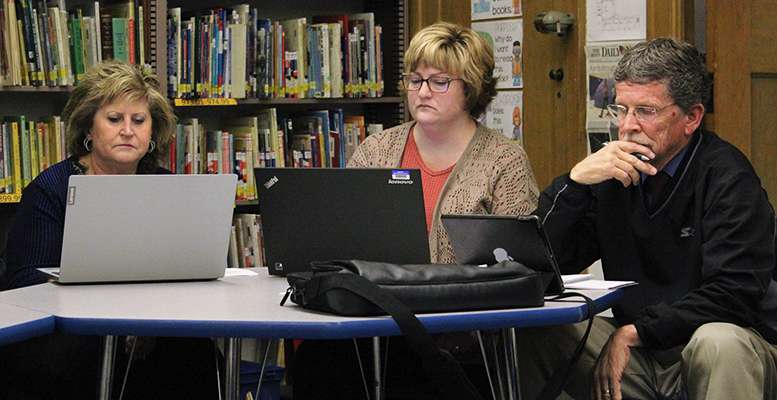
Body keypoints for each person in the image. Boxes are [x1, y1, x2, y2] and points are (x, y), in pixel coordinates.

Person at [519, 38, 777, 400]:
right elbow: (541, 266)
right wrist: (575, 183)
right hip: (642, 354)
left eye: (646, 111)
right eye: (621, 109)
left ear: (692, 117)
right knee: (530, 325)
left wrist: (633, 332)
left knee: (720, 341)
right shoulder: (614, 174)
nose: (627, 127)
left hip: (720, 352)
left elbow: (733, 295)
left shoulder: (728, 177)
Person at [293, 22, 539, 400]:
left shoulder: (503, 161)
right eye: (415, 80)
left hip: (460, 335)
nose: (422, 92)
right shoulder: (376, 150)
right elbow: (342, 240)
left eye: (439, 82)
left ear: (470, 87)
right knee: (315, 361)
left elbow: (518, 267)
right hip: (374, 322)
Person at [0, 61, 220, 400]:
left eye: (139, 120)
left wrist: (145, 321)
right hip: (69, 332)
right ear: (90, 128)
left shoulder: (167, 188)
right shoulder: (52, 188)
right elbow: (25, 282)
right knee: (74, 358)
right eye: (114, 119)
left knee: (198, 354)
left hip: (152, 325)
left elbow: (186, 271)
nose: (128, 130)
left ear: (152, 131)